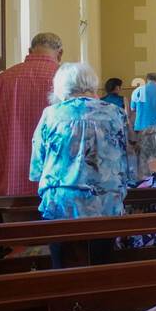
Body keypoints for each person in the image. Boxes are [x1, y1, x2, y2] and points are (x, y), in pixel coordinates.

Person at [29, 62, 131, 268]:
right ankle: (100, 297)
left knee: (63, 263)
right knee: (102, 262)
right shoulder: (115, 113)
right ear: (92, 85)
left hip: (62, 202)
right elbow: (129, 159)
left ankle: (65, 296)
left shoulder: (51, 114)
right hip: (105, 201)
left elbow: (37, 166)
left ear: (60, 87)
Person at [0, 32, 64, 195]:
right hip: (59, 185)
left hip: (12, 187)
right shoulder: (70, 81)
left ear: (30, 51)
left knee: (16, 221)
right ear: (60, 53)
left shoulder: (2, 79)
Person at [128, 72, 156, 179]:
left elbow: (133, 110)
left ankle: (143, 179)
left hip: (142, 127)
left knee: (142, 155)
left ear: (146, 79)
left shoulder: (137, 91)